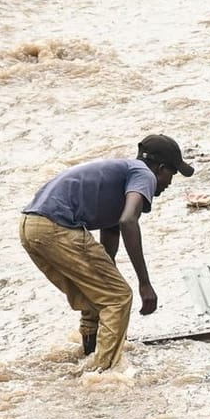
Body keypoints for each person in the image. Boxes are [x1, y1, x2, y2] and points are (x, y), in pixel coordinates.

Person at [19, 134, 193, 371]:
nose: (169, 183)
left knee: (98, 293)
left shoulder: (121, 172)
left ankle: (89, 352)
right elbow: (128, 220)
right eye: (171, 175)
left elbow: (111, 229)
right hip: (57, 227)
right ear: (160, 168)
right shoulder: (143, 174)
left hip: (31, 226)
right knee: (118, 298)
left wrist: (106, 269)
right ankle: (103, 373)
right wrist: (145, 283)